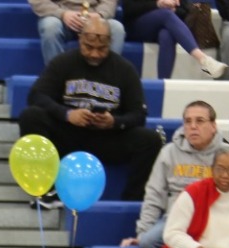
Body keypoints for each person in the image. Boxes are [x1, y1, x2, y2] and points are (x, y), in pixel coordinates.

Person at [17, 15, 164, 204]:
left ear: (110, 43)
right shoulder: (64, 62)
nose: (95, 53)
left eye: (101, 48)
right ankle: (45, 189)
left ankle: (132, 201)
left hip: (107, 138)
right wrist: (67, 114)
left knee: (150, 140)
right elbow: (36, 95)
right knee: (31, 116)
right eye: (89, 47)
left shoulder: (125, 70)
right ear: (80, 40)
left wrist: (115, 122)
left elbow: (139, 114)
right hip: (68, 133)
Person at [124, 102, 229, 248]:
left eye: (200, 121)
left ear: (213, 126)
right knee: (147, 242)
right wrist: (142, 233)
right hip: (176, 221)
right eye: (188, 121)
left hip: (215, 220)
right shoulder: (168, 152)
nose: (193, 126)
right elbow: (154, 196)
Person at [123, 0, 229, 78]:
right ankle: (203, 59)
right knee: (166, 14)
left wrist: (174, 7)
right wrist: (158, 4)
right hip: (137, 25)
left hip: (163, 24)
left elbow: (185, 9)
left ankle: (163, 83)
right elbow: (129, 9)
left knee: (167, 35)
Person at [31, 0, 127, 63]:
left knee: (117, 29)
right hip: (58, 15)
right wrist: (62, 14)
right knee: (50, 27)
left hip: (94, 14)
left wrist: (99, 15)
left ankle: (106, 79)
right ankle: (57, 77)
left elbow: (109, 2)